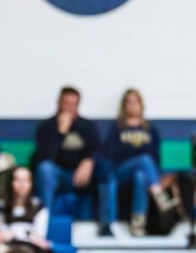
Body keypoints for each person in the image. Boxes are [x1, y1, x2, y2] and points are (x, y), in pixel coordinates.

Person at [32, 86, 113, 236]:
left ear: (78, 105)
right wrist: (61, 132)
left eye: (73, 104)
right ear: (59, 103)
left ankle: (106, 225)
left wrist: (88, 161)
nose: (69, 107)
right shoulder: (46, 127)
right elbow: (45, 157)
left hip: (83, 176)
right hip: (58, 175)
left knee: (106, 170)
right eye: (65, 103)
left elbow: (98, 150)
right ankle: (44, 225)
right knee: (45, 169)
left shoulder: (87, 126)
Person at [102, 88, 170, 236]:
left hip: (141, 176)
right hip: (121, 173)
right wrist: (136, 154)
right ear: (124, 105)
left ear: (141, 105)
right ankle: (160, 196)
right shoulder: (117, 129)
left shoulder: (150, 129)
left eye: (135, 102)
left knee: (141, 176)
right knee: (143, 160)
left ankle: (138, 223)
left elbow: (156, 157)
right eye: (129, 102)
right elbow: (111, 155)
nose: (132, 105)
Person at [0, 167, 62, 253]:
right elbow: (2, 236)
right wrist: (27, 234)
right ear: (11, 182)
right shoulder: (2, 206)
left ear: (31, 183)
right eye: (17, 180)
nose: (22, 185)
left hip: (31, 249)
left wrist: (14, 232)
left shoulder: (39, 206)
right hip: (8, 248)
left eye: (26, 180)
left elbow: (39, 237)